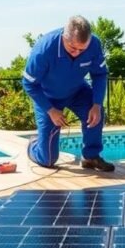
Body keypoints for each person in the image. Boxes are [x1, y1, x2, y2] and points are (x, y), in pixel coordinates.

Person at [22, 15, 115, 172]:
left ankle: (90, 156)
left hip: (77, 90)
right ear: (64, 37)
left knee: (95, 115)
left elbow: (99, 74)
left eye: (82, 49)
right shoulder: (43, 49)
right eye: (73, 48)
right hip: (48, 98)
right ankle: (33, 145)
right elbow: (29, 83)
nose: (77, 53)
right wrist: (51, 110)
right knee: (48, 160)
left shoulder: (94, 44)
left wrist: (97, 104)